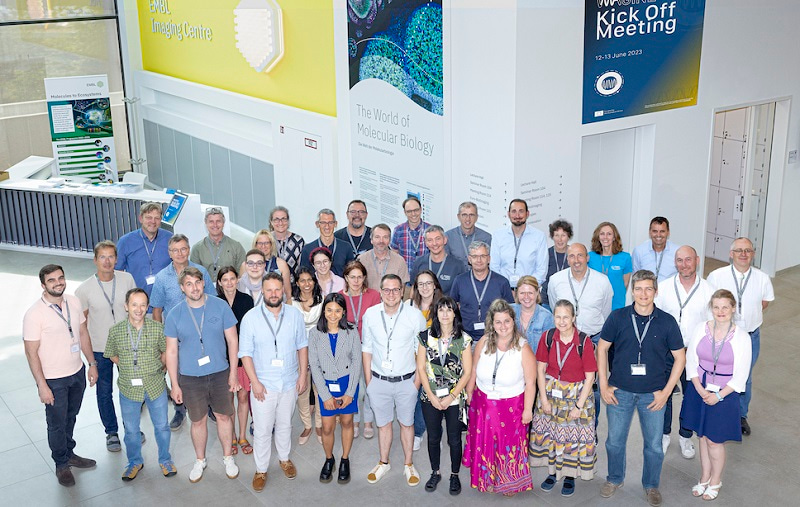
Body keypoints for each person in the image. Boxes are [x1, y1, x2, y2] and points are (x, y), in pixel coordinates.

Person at [597, 270, 686, 507]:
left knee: (654, 446)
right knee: (614, 441)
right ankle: (614, 478)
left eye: (648, 289)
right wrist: (604, 384)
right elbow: (602, 349)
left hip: (654, 395)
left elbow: (680, 358)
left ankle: (651, 485)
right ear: (632, 291)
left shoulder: (667, 322)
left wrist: (667, 392)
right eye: (638, 289)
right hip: (620, 392)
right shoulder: (618, 317)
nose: (643, 294)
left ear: (655, 292)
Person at [164, 267, 241, 484]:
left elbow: (233, 341)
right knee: (197, 421)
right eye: (189, 284)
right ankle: (200, 460)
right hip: (190, 377)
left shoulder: (220, 306)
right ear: (182, 288)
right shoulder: (174, 314)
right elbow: (171, 351)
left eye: (197, 282)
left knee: (224, 416)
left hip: (220, 373)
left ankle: (228, 457)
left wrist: (233, 373)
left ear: (203, 283)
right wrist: (175, 384)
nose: (194, 287)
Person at [23, 264, 98, 487]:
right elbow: (31, 352)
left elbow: (82, 333)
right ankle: (61, 464)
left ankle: (69, 452)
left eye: (61, 278)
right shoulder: (34, 314)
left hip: (76, 372)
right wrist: (41, 385)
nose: (58, 283)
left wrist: (92, 363)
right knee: (56, 423)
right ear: (43, 285)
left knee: (71, 416)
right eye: (52, 280)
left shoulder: (73, 302)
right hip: (53, 380)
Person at [680, 289, 752, 501]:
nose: (721, 311)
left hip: (725, 393)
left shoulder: (742, 337)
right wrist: (699, 388)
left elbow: (741, 376)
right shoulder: (701, 328)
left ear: (733, 309)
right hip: (699, 389)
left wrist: (719, 396)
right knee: (702, 435)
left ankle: (716, 480)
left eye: (725, 307)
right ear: (711, 308)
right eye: (716, 307)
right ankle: (704, 476)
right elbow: (691, 360)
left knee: (714, 440)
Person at [239, 272, 309, 492]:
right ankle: (261, 469)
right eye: (268, 290)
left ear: (283, 290)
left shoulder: (294, 315)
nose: (273, 294)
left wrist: (302, 375)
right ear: (262, 291)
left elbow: (302, 346)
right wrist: (255, 383)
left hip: (289, 381)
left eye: (277, 289)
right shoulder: (251, 317)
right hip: (264, 385)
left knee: (285, 424)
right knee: (261, 429)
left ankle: (285, 459)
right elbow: (245, 354)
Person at [463, 299, 536, 496]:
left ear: (513, 322)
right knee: (485, 442)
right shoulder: (484, 342)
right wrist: (469, 392)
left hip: (512, 405)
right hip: (483, 402)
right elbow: (474, 370)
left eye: (507, 321)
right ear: (492, 324)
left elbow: (530, 383)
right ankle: (486, 478)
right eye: (498, 322)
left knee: (508, 445)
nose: (503, 326)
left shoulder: (523, 348)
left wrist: (528, 410)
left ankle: (508, 481)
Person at [362, 274, 428, 486]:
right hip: (378, 381)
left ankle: (408, 464)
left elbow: (422, 351)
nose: (391, 294)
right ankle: (384, 462)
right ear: (380, 292)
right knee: (383, 424)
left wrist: (416, 383)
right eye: (387, 290)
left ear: (402, 291)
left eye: (395, 289)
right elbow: (367, 349)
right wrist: (369, 382)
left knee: (407, 424)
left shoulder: (414, 315)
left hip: (406, 382)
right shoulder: (370, 315)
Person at [104, 288, 177, 480]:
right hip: (129, 390)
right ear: (126, 306)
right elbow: (112, 354)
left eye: (143, 304)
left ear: (148, 307)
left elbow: (166, 352)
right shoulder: (116, 331)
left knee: (161, 426)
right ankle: (134, 462)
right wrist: (127, 367)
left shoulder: (157, 328)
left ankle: (165, 459)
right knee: (131, 430)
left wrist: (159, 368)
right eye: (134, 304)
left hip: (155, 387)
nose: (139, 309)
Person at [706, 237, 774, 436]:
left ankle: (741, 415)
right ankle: (716, 408)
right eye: (739, 250)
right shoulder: (717, 276)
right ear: (731, 254)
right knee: (717, 371)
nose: (743, 254)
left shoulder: (762, 278)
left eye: (748, 250)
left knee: (745, 377)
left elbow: (764, 302)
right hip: (723, 335)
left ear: (753, 254)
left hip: (751, 336)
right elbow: (711, 304)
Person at [529, 300, 597, 497]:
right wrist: (543, 399)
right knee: (552, 435)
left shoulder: (583, 342)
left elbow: (590, 376)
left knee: (572, 438)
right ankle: (552, 473)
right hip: (551, 395)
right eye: (557, 317)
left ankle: (569, 476)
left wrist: (579, 406)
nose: (562, 321)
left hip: (577, 396)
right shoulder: (548, 337)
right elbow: (540, 369)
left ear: (574, 318)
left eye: (566, 317)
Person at [655, 245, 715, 459]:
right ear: (675, 262)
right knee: (665, 393)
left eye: (688, 260)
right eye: (680, 260)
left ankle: (685, 435)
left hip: (695, 354)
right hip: (667, 353)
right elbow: (656, 320)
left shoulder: (708, 290)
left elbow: (713, 325)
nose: (684, 265)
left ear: (697, 260)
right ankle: (663, 434)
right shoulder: (664, 287)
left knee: (691, 395)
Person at [75, 240, 136, 452]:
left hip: (127, 345)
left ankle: (132, 427)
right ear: (95, 260)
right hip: (101, 349)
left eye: (111, 256)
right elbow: (81, 329)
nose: (107, 261)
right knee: (104, 392)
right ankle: (111, 432)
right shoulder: (84, 290)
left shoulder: (127, 279)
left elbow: (136, 310)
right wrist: (90, 360)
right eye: (102, 257)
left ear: (116, 259)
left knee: (131, 388)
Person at [150, 234, 215, 430]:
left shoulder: (201, 271)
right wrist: (161, 340)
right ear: (169, 253)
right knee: (176, 372)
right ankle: (179, 409)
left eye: (183, 249)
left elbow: (212, 300)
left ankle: (209, 404)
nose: (180, 253)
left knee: (205, 369)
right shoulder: (162, 278)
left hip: (201, 333)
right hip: (175, 337)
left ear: (189, 250)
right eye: (175, 250)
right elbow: (157, 310)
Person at [416, 296, 472, 496]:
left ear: (454, 313)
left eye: (449, 310)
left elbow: (467, 372)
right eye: (441, 310)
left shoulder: (463, 339)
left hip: (454, 398)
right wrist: (431, 396)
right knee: (433, 437)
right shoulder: (425, 336)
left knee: (455, 439)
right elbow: (421, 368)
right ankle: (435, 472)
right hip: (430, 397)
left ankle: (454, 475)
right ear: (436, 313)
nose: (445, 314)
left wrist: (452, 396)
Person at [308, 293, 362, 484]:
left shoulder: (351, 331)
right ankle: (329, 459)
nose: (333, 314)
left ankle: (345, 459)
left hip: (348, 384)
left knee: (347, 422)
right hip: (325, 386)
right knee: (328, 426)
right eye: (329, 310)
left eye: (337, 310)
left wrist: (349, 393)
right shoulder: (314, 334)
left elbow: (357, 362)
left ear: (343, 312)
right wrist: (325, 395)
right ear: (324, 311)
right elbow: (314, 366)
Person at [339, 260, 381, 438]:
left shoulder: (374, 295)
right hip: (347, 348)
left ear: (364, 278)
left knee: (369, 385)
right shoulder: (339, 297)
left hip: (369, 346)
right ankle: (355, 420)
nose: (356, 281)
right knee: (354, 387)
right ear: (346, 278)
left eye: (359, 277)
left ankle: (368, 422)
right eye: (352, 277)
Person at [217, 266, 255, 457]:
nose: (230, 283)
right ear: (219, 282)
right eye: (225, 279)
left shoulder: (247, 300)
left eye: (233, 278)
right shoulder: (214, 302)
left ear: (237, 280)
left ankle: (241, 436)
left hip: (243, 358)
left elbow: (251, 330)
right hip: (221, 360)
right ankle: (230, 436)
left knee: (242, 397)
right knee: (227, 401)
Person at [451, 241, 514, 342]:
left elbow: (511, 311)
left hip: (495, 338)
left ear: (488, 259)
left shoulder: (502, 282)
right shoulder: (459, 281)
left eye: (482, 256)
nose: (479, 260)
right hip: (466, 338)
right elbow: (452, 308)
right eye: (475, 256)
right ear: (469, 259)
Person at [289, 266, 324, 444]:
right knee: (302, 389)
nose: (306, 284)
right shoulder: (291, 302)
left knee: (319, 389)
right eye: (302, 280)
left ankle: (318, 424)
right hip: (297, 351)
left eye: (309, 279)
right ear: (297, 282)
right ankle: (306, 426)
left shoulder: (322, 300)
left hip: (319, 351)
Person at [115, 202, 172, 298]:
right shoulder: (126, 241)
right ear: (141, 219)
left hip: (165, 299)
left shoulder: (170, 239)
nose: (153, 222)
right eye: (149, 217)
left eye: (157, 218)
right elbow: (118, 272)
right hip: (137, 299)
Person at [490, 198, 548, 288]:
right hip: (503, 290)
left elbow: (541, 270)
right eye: (513, 211)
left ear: (527, 214)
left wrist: (524, 289)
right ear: (508, 214)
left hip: (529, 292)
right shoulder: (498, 235)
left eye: (521, 211)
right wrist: (506, 289)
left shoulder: (539, 236)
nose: (517, 215)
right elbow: (494, 267)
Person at [190, 207, 246, 281]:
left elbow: (242, 275)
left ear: (223, 223)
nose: (215, 225)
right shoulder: (197, 249)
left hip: (230, 290)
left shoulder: (236, 247)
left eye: (218, 221)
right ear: (206, 223)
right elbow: (194, 276)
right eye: (211, 221)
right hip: (207, 291)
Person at [588, 221, 633, 311]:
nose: (605, 237)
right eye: (602, 234)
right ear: (598, 237)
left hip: (617, 304)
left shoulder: (625, 257)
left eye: (609, 234)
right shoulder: (590, 257)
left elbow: (625, 283)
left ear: (614, 237)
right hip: (595, 304)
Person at [410, 225, 467, 296]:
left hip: (446, 306)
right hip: (423, 306)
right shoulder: (419, 262)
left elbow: (462, 292)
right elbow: (414, 289)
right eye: (430, 240)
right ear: (426, 243)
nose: (434, 243)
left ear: (445, 240)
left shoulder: (458, 265)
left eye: (438, 239)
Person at [300, 209, 355, 276]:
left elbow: (352, 272)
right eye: (323, 222)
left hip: (341, 286)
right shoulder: (307, 249)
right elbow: (304, 275)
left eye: (330, 222)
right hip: (318, 286)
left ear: (335, 224)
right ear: (317, 224)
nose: (327, 226)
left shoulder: (346, 247)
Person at [358, 223, 410, 290]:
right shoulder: (361, 260)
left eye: (385, 237)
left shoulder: (399, 261)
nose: (381, 241)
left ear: (389, 240)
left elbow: (401, 289)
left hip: (391, 299)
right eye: (377, 237)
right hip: (368, 300)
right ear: (371, 240)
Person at [244, 229, 293, 301]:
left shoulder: (281, 264)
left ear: (271, 244)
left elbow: (288, 293)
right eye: (260, 243)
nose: (263, 246)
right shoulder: (246, 265)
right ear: (255, 244)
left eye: (266, 243)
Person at [511, 275, 554, 352]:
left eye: (530, 293)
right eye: (522, 293)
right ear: (517, 293)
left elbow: (549, 349)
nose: (526, 297)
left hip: (537, 362)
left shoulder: (547, 317)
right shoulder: (508, 311)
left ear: (537, 292)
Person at [445, 201, 492, 266]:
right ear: (458, 217)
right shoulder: (448, 236)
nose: (468, 219)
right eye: (464, 215)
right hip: (456, 275)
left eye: (471, 215)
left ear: (476, 217)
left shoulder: (486, 238)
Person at [632, 216, 679, 282]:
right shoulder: (639, 251)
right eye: (655, 231)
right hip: (646, 291)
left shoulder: (677, 251)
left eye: (662, 231)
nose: (658, 235)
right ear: (650, 232)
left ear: (668, 232)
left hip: (669, 291)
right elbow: (635, 277)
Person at [391, 196, 431, 274]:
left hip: (425, 278)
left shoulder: (430, 230)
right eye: (409, 211)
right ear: (405, 212)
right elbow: (394, 254)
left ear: (421, 209)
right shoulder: (398, 230)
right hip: (405, 279)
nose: (413, 214)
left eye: (416, 210)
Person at [542, 219, 572, 309]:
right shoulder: (545, 254)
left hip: (569, 300)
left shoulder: (574, 254)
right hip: (547, 301)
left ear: (568, 237)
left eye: (563, 235)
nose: (560, 239)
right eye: (556, 235)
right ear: (552, 237)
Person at [269, 206, 305, 278]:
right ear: (271, 222)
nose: (280, 222)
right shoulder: (266, 240)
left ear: (288, 221)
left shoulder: (298, 241)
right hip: (271, 286)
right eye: (276, 219)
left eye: (284, 219)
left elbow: (303, 268)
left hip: (293, 286)